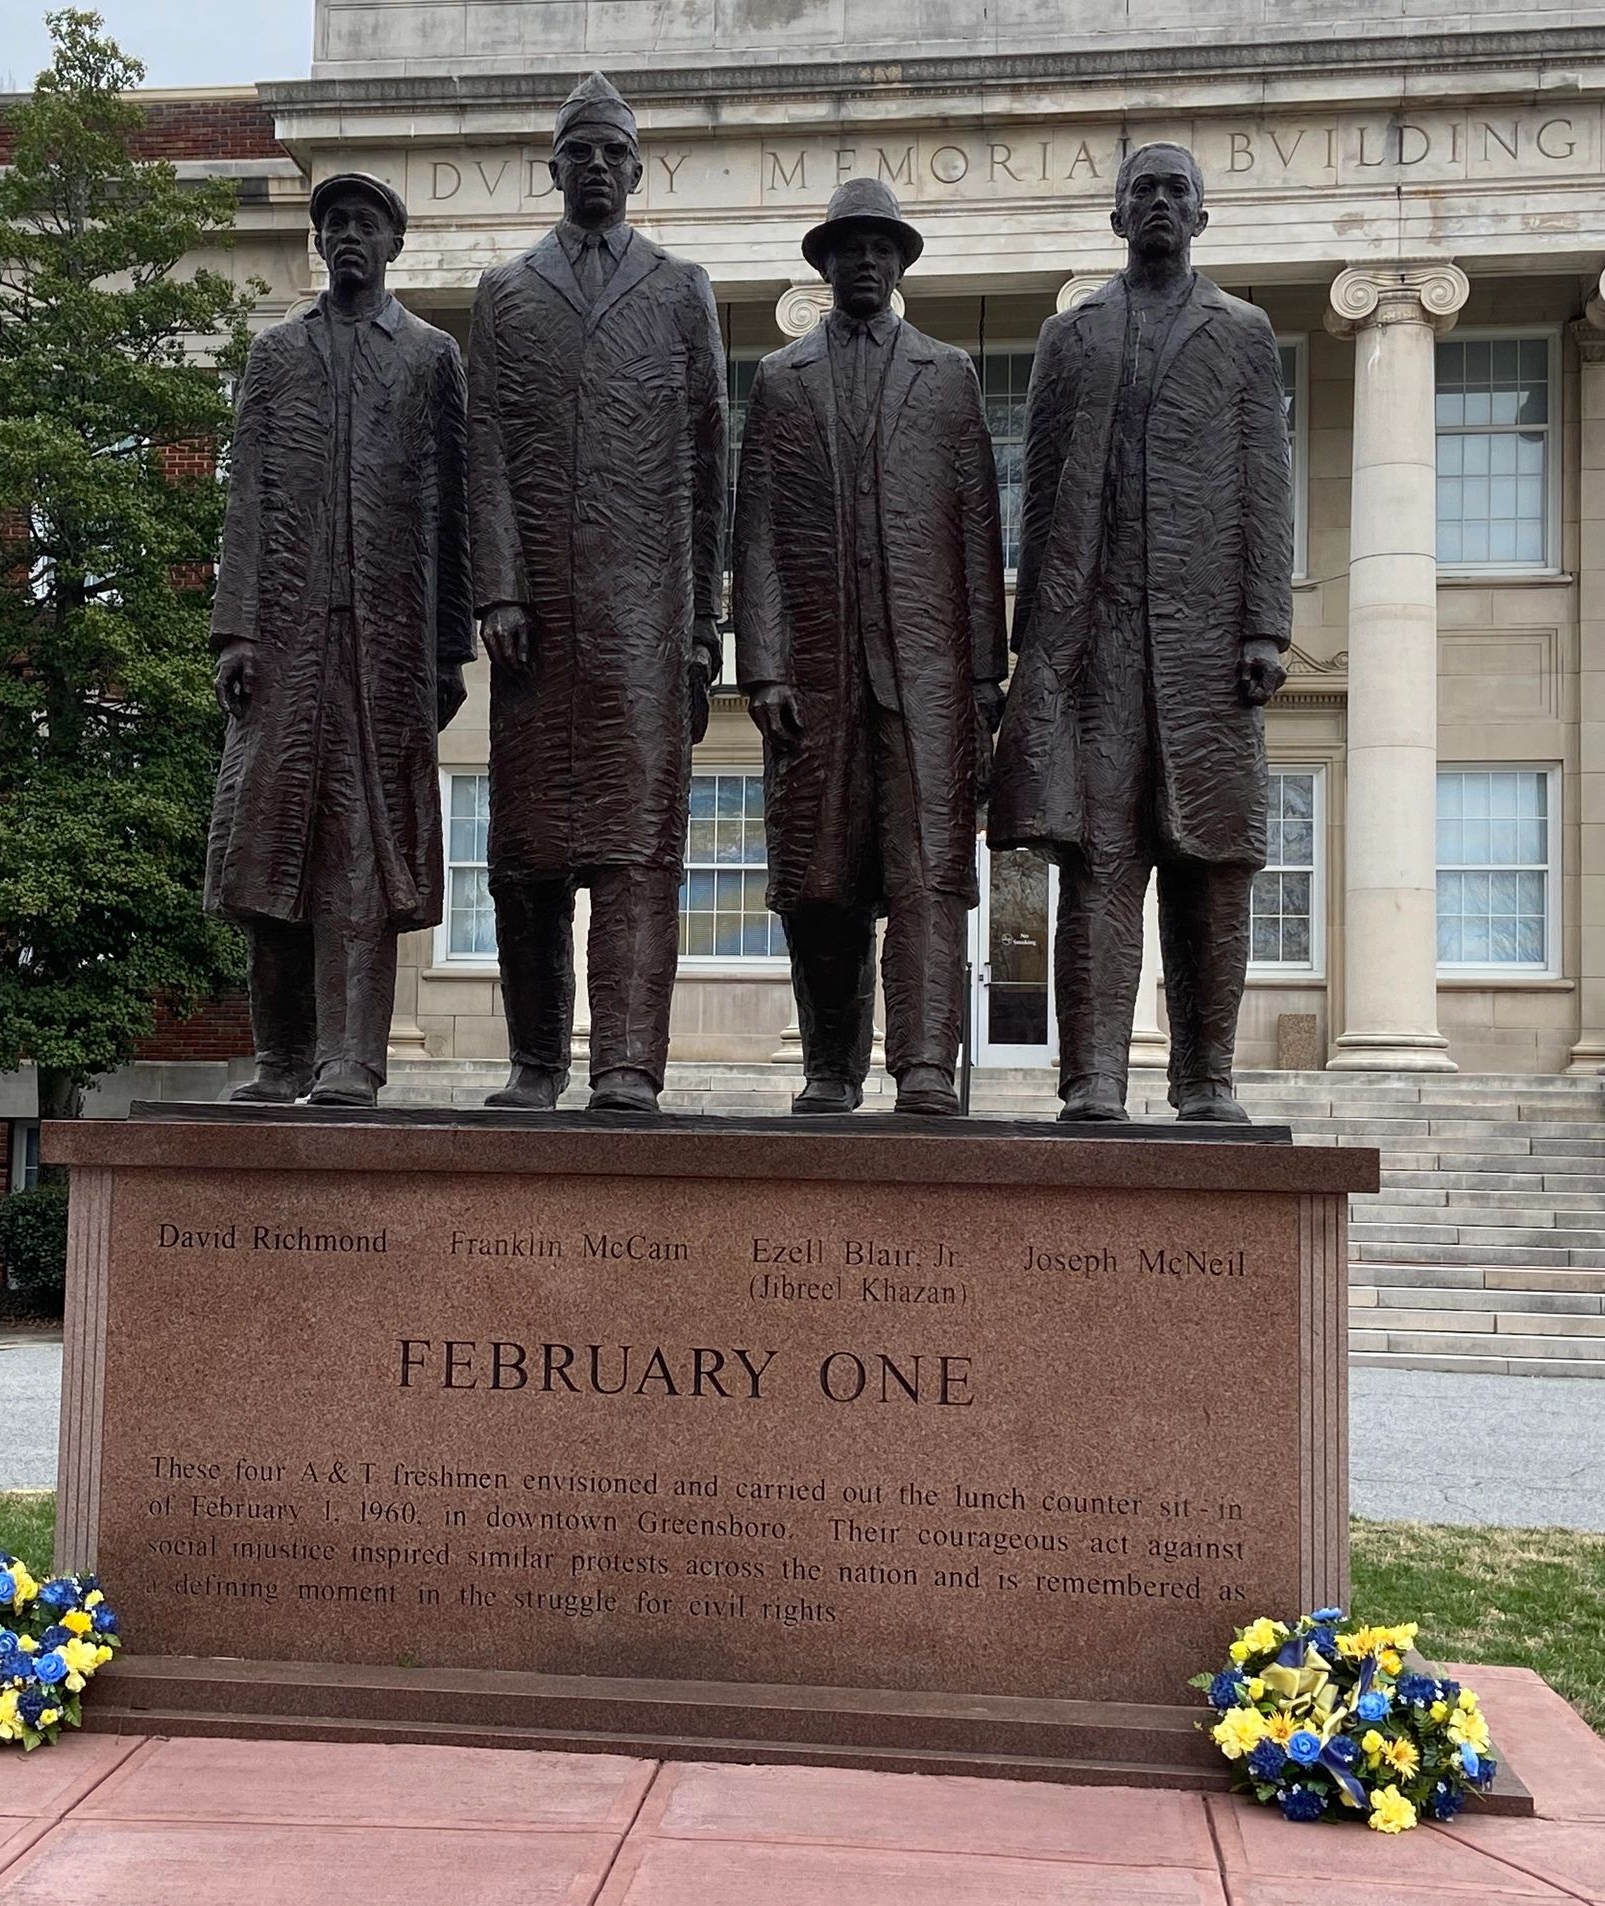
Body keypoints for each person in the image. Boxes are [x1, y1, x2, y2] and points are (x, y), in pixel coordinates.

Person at [988, 142, 1292, 1124]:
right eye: (1142, 191)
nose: (1159, 204)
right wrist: (1032, 650)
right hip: (1095, 642)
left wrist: (1265, 625)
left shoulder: (1242, 333)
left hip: (1209, 646)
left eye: (1176, 191)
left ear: (1200, 217)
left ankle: (1204, 1075)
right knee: (1099, 860)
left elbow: (1264, 483)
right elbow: (1038, 501)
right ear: (1117, 217)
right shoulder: (1069, 337)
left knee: (1211, 863)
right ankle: (1094, 1076)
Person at [467, 71, 727, 1114]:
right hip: (535, 625)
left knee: (636, 851)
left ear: (637, 166)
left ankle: (627, 1064)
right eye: (581, 151)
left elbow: (711, 467)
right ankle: (536, 1061)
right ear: (555, 168)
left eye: (616, 152)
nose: (599, 168)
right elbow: (483, 447)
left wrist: (704, 626)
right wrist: (498, 589)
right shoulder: (506, 292)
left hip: (643, 621)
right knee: (525, 857)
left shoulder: (679, 289)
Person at [731, 179, 1006, 1117]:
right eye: (847, 247)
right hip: (811, 675)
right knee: (819, 880)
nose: (864, 261)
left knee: (929, 874)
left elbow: (979, 533)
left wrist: (983, 675)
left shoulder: (949, 375)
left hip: (925, 681)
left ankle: (925, 1063)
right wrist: (759, 663)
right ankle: (830, 1066)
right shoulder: (779, 380)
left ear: (900, 264)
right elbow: (756, 532)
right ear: (824, 262)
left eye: (880, 248)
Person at [204, 172, 473, 1107]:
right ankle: (280, 1057)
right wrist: (235, 630)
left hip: (385, 648)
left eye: (366, 224)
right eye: (334, 224)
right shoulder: (275, 355)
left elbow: (453, 513)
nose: (348, 237)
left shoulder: (431, 357)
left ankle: (352, 1058)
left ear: (395, 243)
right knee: (268, 843)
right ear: (318, 243)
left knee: (361, 848)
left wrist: (447, 650)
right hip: (284, 643)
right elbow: (245, 498)